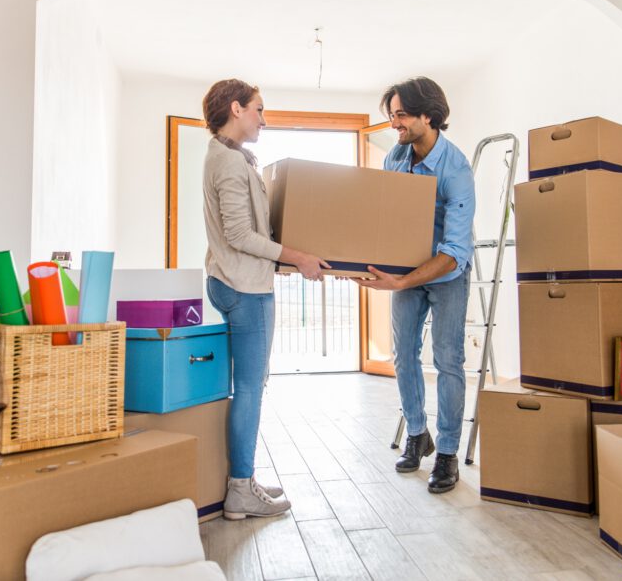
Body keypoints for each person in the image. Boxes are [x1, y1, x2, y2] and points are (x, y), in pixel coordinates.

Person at [202, 78, 330, 519]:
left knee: (248, 387)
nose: (263, 117)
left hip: (228, 279)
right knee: (251, 389)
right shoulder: (231, 164)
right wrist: (298, 257)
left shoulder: (227, 156)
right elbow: (239, 234)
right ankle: (239, 488)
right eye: (258, 108)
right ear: (236, 108)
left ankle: (244, 479)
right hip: (245, 287)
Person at [356, 77, 475, 494]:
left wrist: (402, 280)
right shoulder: (396, 157)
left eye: (402, 115)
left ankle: (446, 453)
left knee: (447, 360)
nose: (394, 125)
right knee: (403, 354)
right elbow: (390, 218)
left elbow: (455, 251)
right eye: (391, 116)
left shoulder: (456, 169)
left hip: (446, 273)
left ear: (429, 115)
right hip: (407, 268)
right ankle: (417, 434)